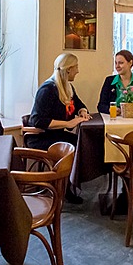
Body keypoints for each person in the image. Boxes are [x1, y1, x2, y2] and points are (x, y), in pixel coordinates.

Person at [28, 53, 92, 203]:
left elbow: (79, 104)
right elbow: (37, 120)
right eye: (76, 67)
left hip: (55, 136)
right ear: (68, 70)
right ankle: (65, 189)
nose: (78, 71)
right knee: (75, 146)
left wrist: (82, 111)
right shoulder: (48, 90)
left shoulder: (68, 88)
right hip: (40, 138)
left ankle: (69, 185)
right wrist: (68, 124)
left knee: (82, 144)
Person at [96, 49, 133, 113]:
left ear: (130, 63)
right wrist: (111, 110)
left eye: (121, 63)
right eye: (116, 63)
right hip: (115, 118)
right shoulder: (109, 81)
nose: (117, 66)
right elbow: (101, 106)